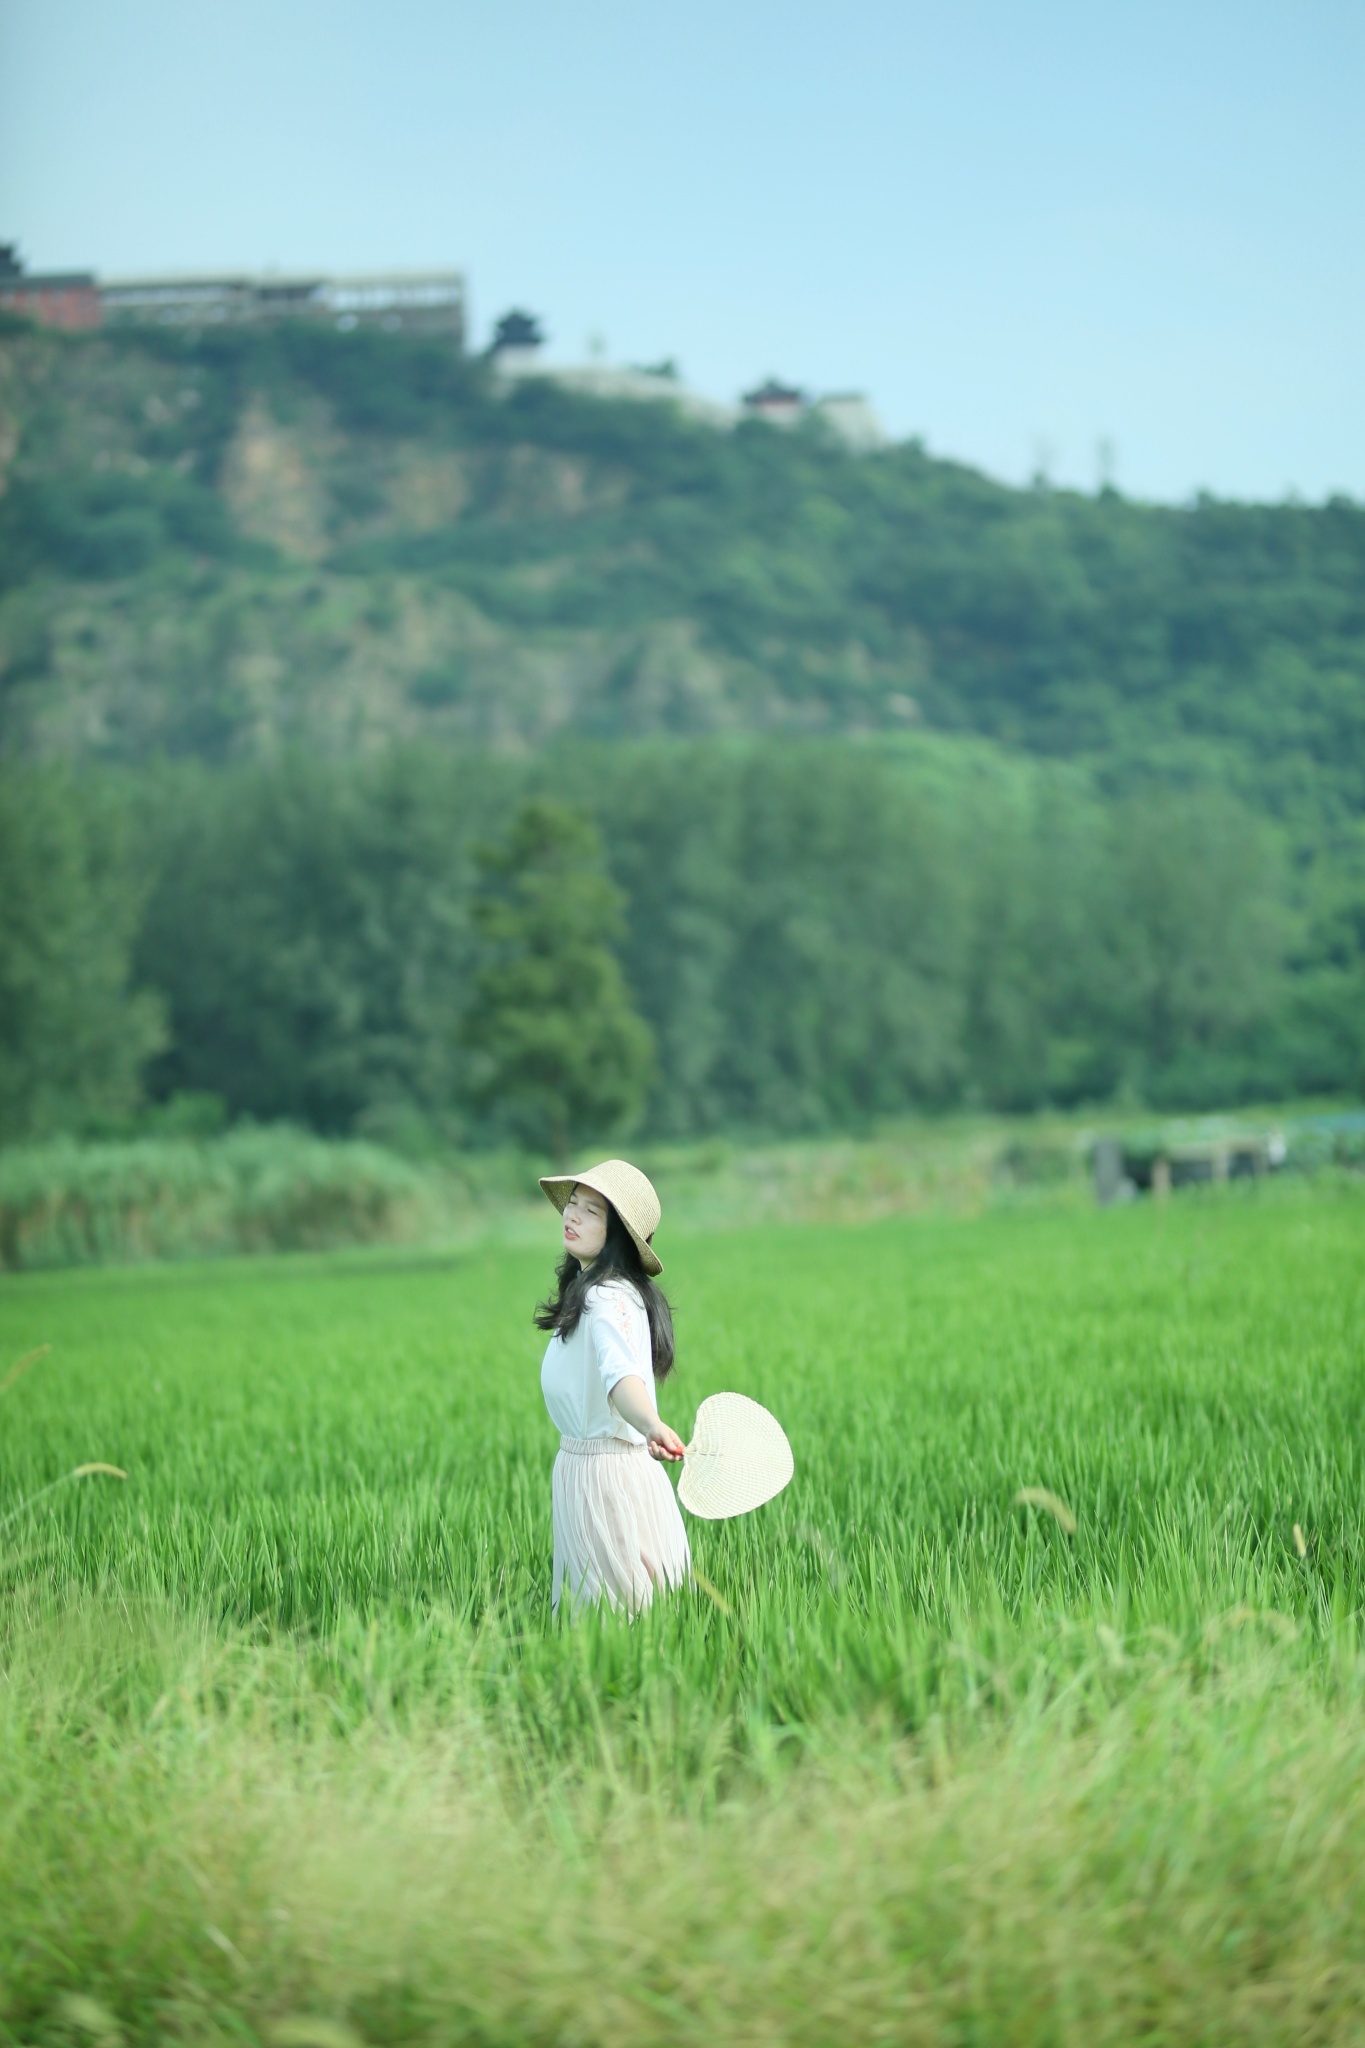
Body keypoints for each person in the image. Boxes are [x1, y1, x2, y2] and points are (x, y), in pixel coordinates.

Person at [536, 1158, 691, 1615]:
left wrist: (650, 1424)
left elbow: (621, 1377)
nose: (572, 1215)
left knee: (614, 1616)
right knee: (610, 1616)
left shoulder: (606, 1296)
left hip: (606, 1477)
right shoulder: (596, 1289)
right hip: (588, 1468)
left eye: (591, 1211)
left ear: (617, 1234)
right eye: (573, 1204)